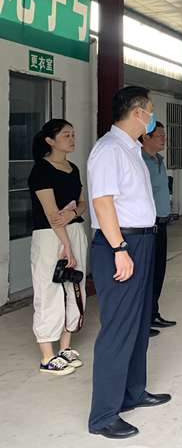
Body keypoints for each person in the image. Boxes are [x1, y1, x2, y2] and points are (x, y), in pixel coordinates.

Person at [87, 86, 171, 440]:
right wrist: (119, 248)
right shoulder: (109, 149)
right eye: (150, 111)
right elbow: (102, 202)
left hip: (142, 240)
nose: (151, 118)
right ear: (137, 112)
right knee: (119, 327)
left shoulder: (132, 149)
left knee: (138, 324)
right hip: (120, 243)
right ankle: (104, 415)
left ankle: (133, 392)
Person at [28, 119, 89, 376]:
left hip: (74, 231)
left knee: (74, 287)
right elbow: (52, 214)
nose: (72, 139)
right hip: (50, 236)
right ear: (50, 141)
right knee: (49, 290)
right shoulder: (41, 170)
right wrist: (67, 246)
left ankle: (65, 347)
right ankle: (47, 356)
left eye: (73, 134)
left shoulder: (73, 168)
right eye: (66, 135)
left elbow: (83, 203)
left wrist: (73, 213)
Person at [141, 121, 177, 336]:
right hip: (147, 224)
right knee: (146, 273)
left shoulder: (159, 160)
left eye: (164, 136)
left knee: (158, 271)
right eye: (160, 136)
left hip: (161, 222)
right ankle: (142, 320)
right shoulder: (139, 161)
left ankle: (153, 313)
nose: (164, 139)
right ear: (145, 137)